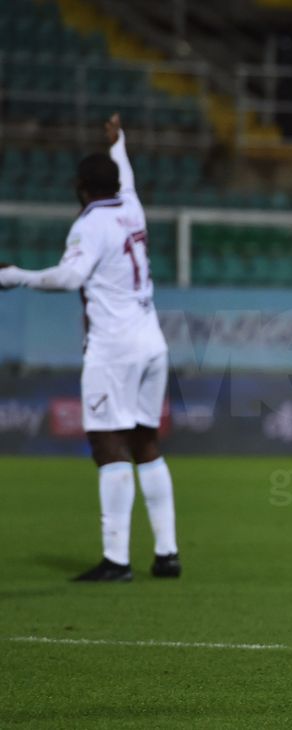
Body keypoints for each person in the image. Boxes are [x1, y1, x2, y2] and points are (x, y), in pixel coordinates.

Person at [0, 115, 180, 581]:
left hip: (114, 348)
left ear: (80, 186)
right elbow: (127, 174)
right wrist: (119, 143)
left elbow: (71, 277)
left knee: (106, 442)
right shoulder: (131, 206)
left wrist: (16, 275)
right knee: (145, 440)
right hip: (151, 341)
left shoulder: (92, 223)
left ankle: (117, 560)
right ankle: (166, 553)